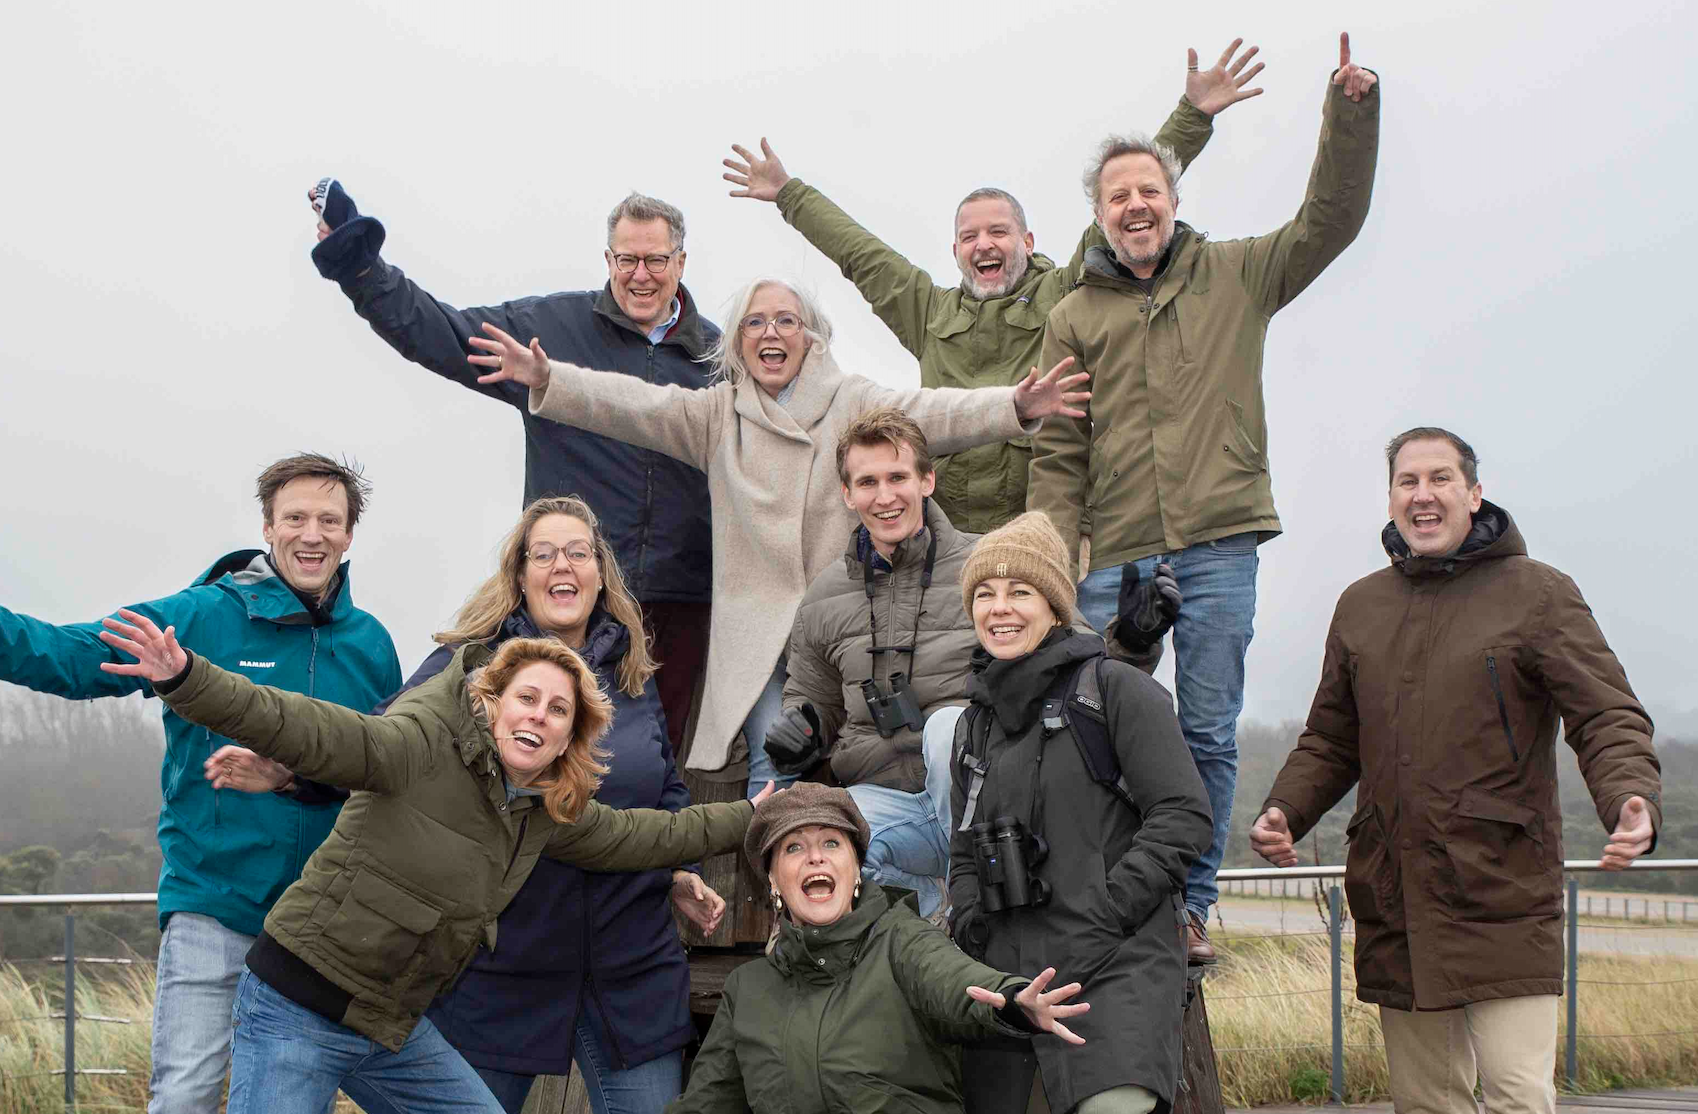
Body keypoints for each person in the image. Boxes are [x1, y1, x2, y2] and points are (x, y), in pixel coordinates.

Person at [0, 454, 400, 1114]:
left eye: (329, 521)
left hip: (319, 925)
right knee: (184, 1097)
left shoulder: (371, 646)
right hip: (217, 906)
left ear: (350, 534)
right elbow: (69, 656)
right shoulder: (199, 617)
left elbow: (382, 774)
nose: (312, 534)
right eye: (296, 518)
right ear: (268, 528)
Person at [95, 614, 770, 1114]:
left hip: (391, 1026)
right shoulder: (417, 748)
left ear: (571, 736)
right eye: (528, 697)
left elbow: (648, 834)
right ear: (493, 703)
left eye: (559, 709)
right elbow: (295, 724)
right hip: (297, 1007)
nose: (540, 715)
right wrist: (185, 678)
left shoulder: (543, 813)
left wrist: (754, 814)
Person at [1028, 33, 1384, 963]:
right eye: (1117, 196)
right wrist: (1052, 564)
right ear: (1098, 215)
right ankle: (1103, 892)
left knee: (1207, 730)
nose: (1135, 205)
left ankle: (1189, 905)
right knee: (1094, 722)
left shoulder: (1238, 274)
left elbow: (1331, 221)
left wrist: (1350, 115)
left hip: (1220, 543)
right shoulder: (1073, 315)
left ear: (1174, 199)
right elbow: (1059, 452)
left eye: (1148, 189)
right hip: (1114, 554)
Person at [463, 279, 1089, 797]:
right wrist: (547, 378)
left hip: (846, 620)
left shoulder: (851, 400)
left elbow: (934, 413)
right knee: (775, 758)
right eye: (755, 322)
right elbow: (635, 405)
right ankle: (779, 898)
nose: (771, 333)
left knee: (870, 755)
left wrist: (1015, 406)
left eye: (786, 321)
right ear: (738, 340)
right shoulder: (718, 414)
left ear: (810, 335)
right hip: (758, 640)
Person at [206, 497, 724, 1114]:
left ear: (599, 573)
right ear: (520, 575)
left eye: (578, 552)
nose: (562, 565)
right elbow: (381, 747)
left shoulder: (633, 674)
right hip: (505, 975)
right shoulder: (467, 667)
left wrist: (681, 870)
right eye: (544, 554)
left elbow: (664, 790)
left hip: (629, 967)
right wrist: (295, 776)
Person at [1250, 428, 1661, 1114]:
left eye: (1440, 478)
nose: (1423, 494)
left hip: (1502, 888)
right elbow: (1331, 739)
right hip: (1395, 892)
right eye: (1407, 481)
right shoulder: (1361, 605)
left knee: (1516, 1097)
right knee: (1425, 1102)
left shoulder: (1539, 593)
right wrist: (1284, 810)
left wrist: (1630, 796)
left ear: (1474, 493)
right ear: (1391, 498)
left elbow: (1605, 714)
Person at [719, 39, 1259, 533]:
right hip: (952, 542)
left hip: (1049, 530)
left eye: (998, 232)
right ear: (956, 251)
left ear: (1027, 240)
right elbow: (860, 253)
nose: (984, 245)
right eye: (969, 236)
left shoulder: (1065, 293)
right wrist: (788, 192)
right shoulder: (929, 314)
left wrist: (1193, 117)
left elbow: (1126, 199)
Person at [308, 180, 715, 755]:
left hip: (679, 601)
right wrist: (361, 268)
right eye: (627, 260)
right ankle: (335, 763)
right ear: (608, 260)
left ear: (681, 262)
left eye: (656, 260)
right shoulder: (552, 331)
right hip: (566, 590)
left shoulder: (719, 358)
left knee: (653, 759)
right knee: (534, 746)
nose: (640, 275)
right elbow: (442, 334)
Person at [762, 408, 1179, 915]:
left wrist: (1134, 640)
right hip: (886, 798)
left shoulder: (990, 569)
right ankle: (940, 911)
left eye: (898, 477)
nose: (885, 496)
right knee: (823, 843)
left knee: (948, 727)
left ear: (927, 480)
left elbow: (1083, 666)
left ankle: (981, 898)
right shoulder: (822, 597)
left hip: (995, 799)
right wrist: (801, 732)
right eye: (867, 482)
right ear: (848, 494)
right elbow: (811, 700)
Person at [945, 513, 1208, 1114]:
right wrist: (972, 926)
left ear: (1056, 606)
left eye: (1020, 591)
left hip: (1116, 965)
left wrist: (1108, 910)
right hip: (1011, 985)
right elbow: (962, 852)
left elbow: (1183, 815)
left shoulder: (1115, 691)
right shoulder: (973, 725)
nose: (999, 608)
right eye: (984, 594)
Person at [666, 783, 1092, 1114]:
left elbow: (954, 979)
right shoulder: (747, 990)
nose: (815, 858)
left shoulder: (900, 939)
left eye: (832, 843)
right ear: (773, 881)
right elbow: (705, 1103)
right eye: (794, 847)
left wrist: (1011, 1001)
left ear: (856, 870)